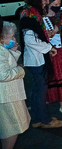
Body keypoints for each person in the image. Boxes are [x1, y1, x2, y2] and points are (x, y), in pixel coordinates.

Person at [20, 0, 62, 128]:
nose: (46, 2)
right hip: (36, 59)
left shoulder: (31, 12)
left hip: (35, 58)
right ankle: (46, 120)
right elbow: (30, 40)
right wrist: (48, 48)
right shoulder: (29, 15)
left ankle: (37, 119)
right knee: (40, 92)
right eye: (45, 0)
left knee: (36, 91)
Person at [0, 21, 31, 149]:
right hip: (8, 97)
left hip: (10, 96)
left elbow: (8, 64)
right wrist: (20, 71)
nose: (14, 39)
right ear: (2, 38)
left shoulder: (3, 49)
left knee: (10, 129)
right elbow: (3, 75)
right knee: (11, 130)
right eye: (12, 37)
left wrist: (13, 51)